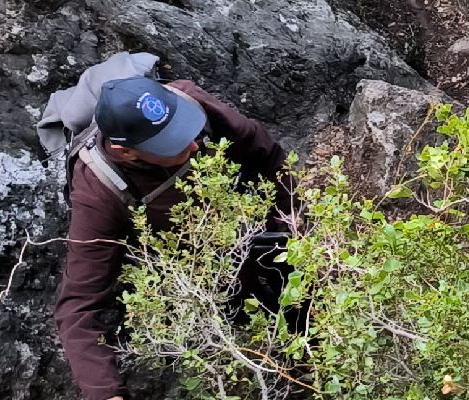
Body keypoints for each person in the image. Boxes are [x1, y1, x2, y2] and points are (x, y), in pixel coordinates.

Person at [51, 76, 297, 400]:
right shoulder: (99, 192)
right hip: (190, 261)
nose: (194, 144)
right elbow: (78, 306)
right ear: (125, 152)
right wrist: (106, 392)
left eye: (184, 129)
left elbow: (267, 154)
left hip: (243, 222)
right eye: (172, 143)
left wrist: (290, 226)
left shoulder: (186, 98)